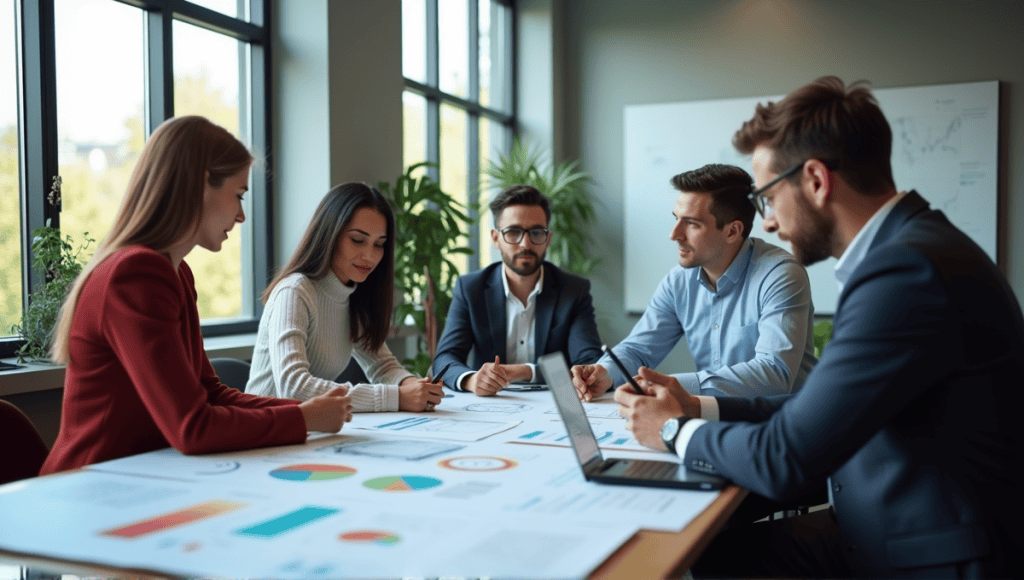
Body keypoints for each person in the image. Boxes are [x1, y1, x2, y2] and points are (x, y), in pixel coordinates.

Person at [617, 76, 1024, 578]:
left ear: (815, 180)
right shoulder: (910, 248)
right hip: (882, 514)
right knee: (717, 557)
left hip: (931, 552)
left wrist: (675, 430)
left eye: (767, 197)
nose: (765, 222)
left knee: (708, 561)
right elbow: (813, 410)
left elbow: (785, 456)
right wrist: (696, 405)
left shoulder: (903, 273)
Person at [41, 116, 352, 476]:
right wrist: (302, 418)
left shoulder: (176, 272)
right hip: (90, 486)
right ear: (202, 183)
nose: (241, 215)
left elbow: (209, 393)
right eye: (238, 195)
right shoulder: (136, 275)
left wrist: (303, 412)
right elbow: (193, 427)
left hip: (144, 475)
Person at [573, 163, 816, 401]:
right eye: (676, 218)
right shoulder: (678, 282)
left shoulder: (780, 275)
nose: (674, 234)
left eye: (691, 223)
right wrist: (604, 372)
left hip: (780, 422)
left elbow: (774, 374)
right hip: (709, 416)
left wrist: (675, 386)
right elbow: (639, 349)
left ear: (732, 231)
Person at [245, 183, 442, 412]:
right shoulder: (294, 292)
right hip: (267, 436)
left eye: (379, 244)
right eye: (358, 240)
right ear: (329, 234)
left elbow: (383, 367)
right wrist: (396, 397)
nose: (369, 256)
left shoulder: (354, 294)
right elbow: (293, 387)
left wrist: (414, 386)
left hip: (310, 432)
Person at [433, 184, 602, 396]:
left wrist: (523, 371)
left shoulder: (573, 290)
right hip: (490, 406)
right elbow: (444, 359)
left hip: (557, 404)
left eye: (536, 233)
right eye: (513, 232)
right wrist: (471, 379)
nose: (525, 243)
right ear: (495, 238)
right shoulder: (471, 288)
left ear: (548, 239)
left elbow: (589, 363)